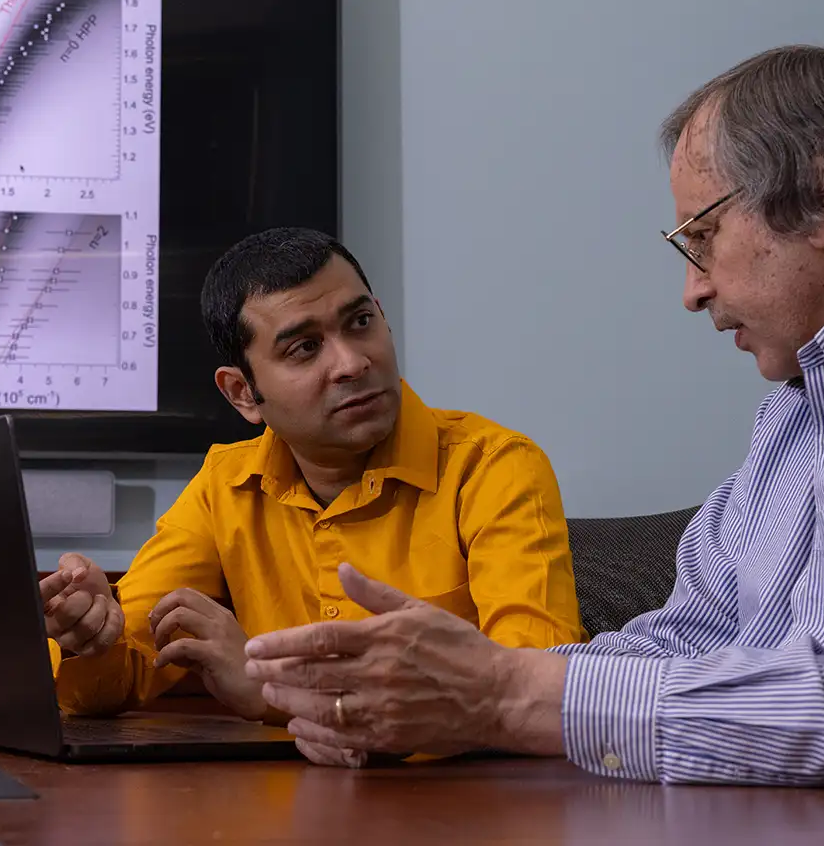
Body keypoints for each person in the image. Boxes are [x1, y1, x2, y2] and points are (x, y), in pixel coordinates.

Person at [241, 45, 824, 832]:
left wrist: (504, 697)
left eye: (703, 235)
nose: (693, 290)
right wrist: (454, 692)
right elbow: (689, 640)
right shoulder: (807, 405)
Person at [39, 226, 585, 766]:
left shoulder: (492, 466)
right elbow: (116, 682)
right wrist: (91, 637)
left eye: (361, 322)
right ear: (242, 393)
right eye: (304, 348)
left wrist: (271, 690)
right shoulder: (222, 487)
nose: (352, 363)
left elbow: (534, 691)